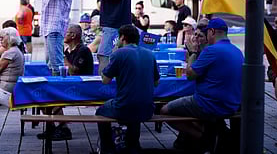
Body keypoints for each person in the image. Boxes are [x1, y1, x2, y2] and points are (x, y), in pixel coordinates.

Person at [161, 18, 243, 150]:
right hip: (232, 103)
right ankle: (205, 137)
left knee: (164, 111)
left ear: (211, 31)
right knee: (187, 109)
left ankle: (204, 138)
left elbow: (189, 75)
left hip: (210, 103)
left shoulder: (211, 50)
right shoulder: (236, 51)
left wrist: (193, 52)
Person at [97, 25, 160, 154]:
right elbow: (156, 83)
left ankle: (107, 148)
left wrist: (110, 60)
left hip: (125, 107)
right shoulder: (149, 54)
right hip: (148, 108)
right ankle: (133, 145)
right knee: (134, 106)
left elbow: (105, 80)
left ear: (123, 37)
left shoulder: (118, 54)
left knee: (100, 112)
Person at [36, 24, 94, 142]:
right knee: (40, 97)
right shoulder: (69, 51)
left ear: (73, 35)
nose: (63, 35)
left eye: (66, 32)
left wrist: (60, 56)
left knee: (54, 98)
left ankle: (64, 128)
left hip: (82, 88)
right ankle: (51, 126)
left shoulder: (83, 50)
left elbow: (73, 71)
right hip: (71, 85)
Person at [24, 0, 74, 76]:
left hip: (55, 27)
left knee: (56, 64)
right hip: (48, 26)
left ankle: (60, 90)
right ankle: (55, 89)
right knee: (50, 63)